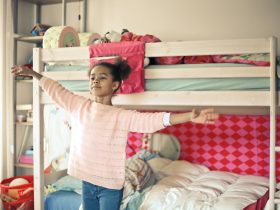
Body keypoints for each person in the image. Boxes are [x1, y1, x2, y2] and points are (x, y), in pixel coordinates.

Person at [12, 59, 219, 210]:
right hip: (87, 181)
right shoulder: (79, 106)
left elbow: (152, 120)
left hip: (110, 185)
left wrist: (188, 117)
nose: (95, 81)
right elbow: (56, 89)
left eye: (102, 77)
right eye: (92, 77)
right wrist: (33, 74)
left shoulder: (119, 116)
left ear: (115, 85)